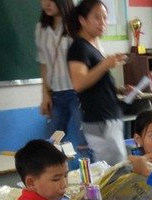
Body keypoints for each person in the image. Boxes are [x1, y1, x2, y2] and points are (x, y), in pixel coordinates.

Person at [67, 0, 127, 165]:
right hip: (100, 119)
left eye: (105, 18)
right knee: (114, 173)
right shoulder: (78, 47)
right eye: (97, 17)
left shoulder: (92, 45)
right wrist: (106, 64)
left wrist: (120, 90)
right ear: (82, 20)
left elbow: (96, 83)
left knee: (117, 169)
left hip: (108, 116)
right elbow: (79, 83)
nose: (103, 23)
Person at [35, 0, 86, 152]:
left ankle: (94, 174)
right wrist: (45, 94)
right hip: (55, 94)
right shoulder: (41, 28)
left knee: (85, 142)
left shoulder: (76, 25)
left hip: (78, 93)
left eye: (51, 0)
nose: (46, 4)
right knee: (51, 144)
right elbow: (43, 63)